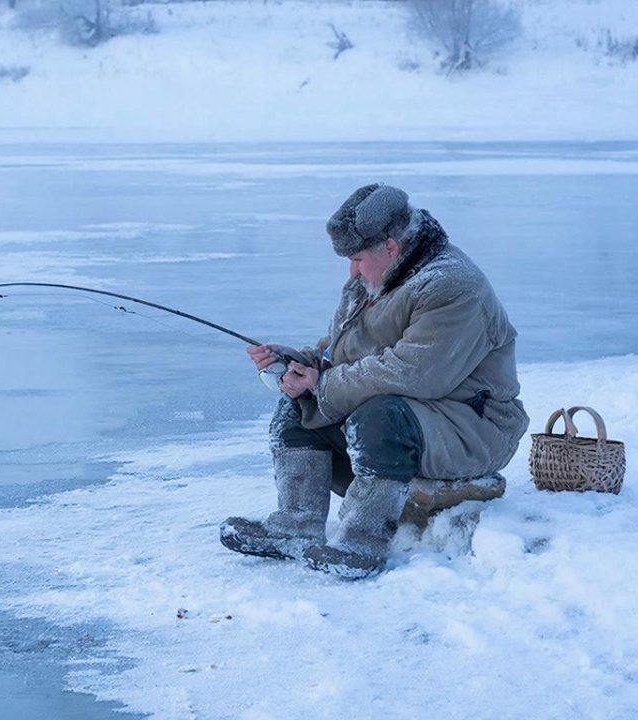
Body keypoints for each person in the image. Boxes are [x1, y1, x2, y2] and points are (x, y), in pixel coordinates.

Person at [220, 183, 530, 578]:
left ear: (390, 247)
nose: (351, 271)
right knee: (299, 406)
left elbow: (414, 373)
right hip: (418, 418)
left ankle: (361, 543)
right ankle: (294, 526)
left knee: (380, 414)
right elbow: (342, 353)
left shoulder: (452, 286)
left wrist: (321, 383)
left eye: (357, 258)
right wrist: (300, 364)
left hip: (474, 428)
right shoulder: (371, 279)